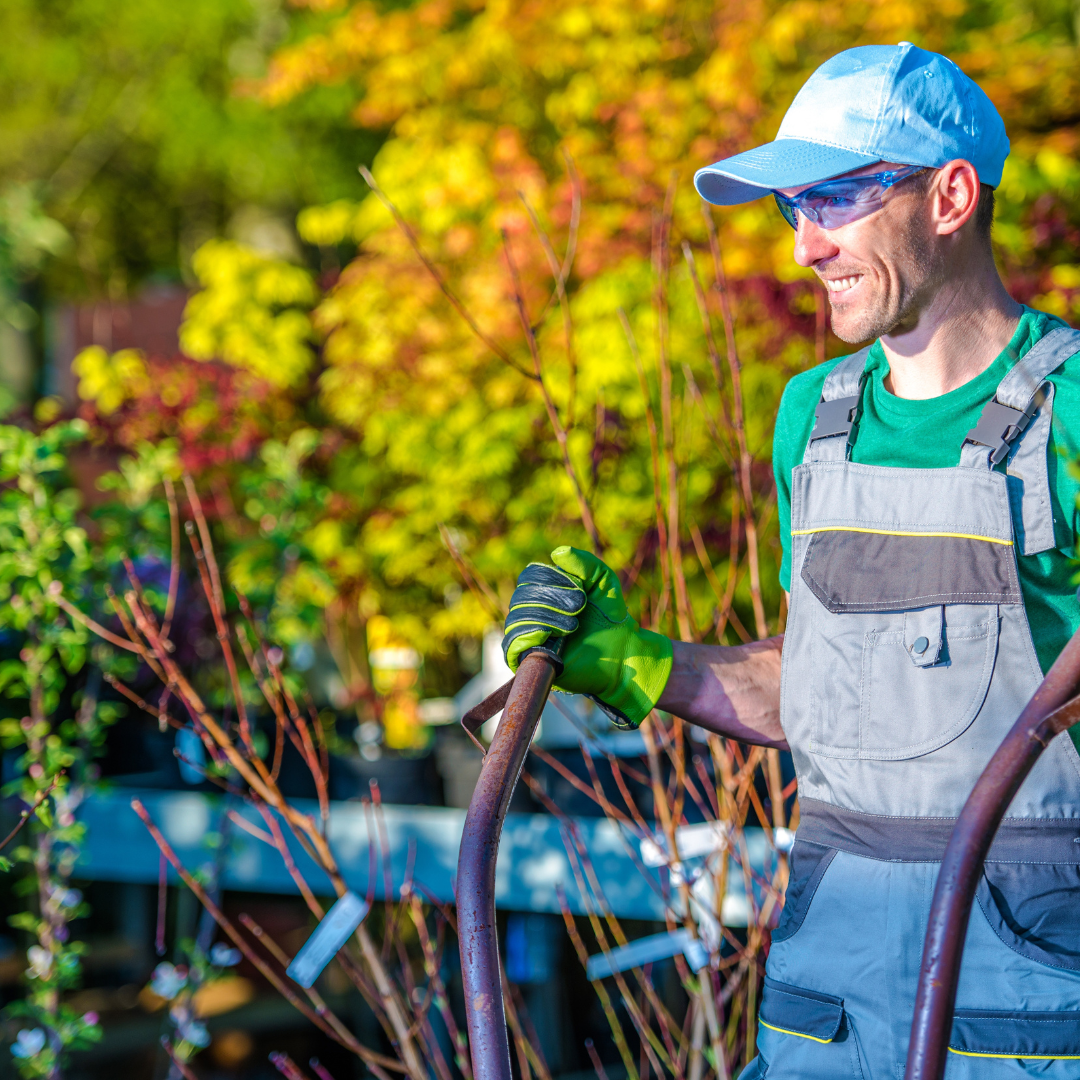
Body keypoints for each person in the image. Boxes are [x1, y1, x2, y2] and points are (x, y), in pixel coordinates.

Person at [501, 43, 1080, 1078]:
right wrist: (635, 661)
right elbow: (828, 692)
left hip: (1027, 991)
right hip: (831, 989)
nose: (806, 246)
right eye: (792, 208)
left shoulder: (1069, 412)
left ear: (950, 197)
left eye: (838, 199)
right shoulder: (816, 418)